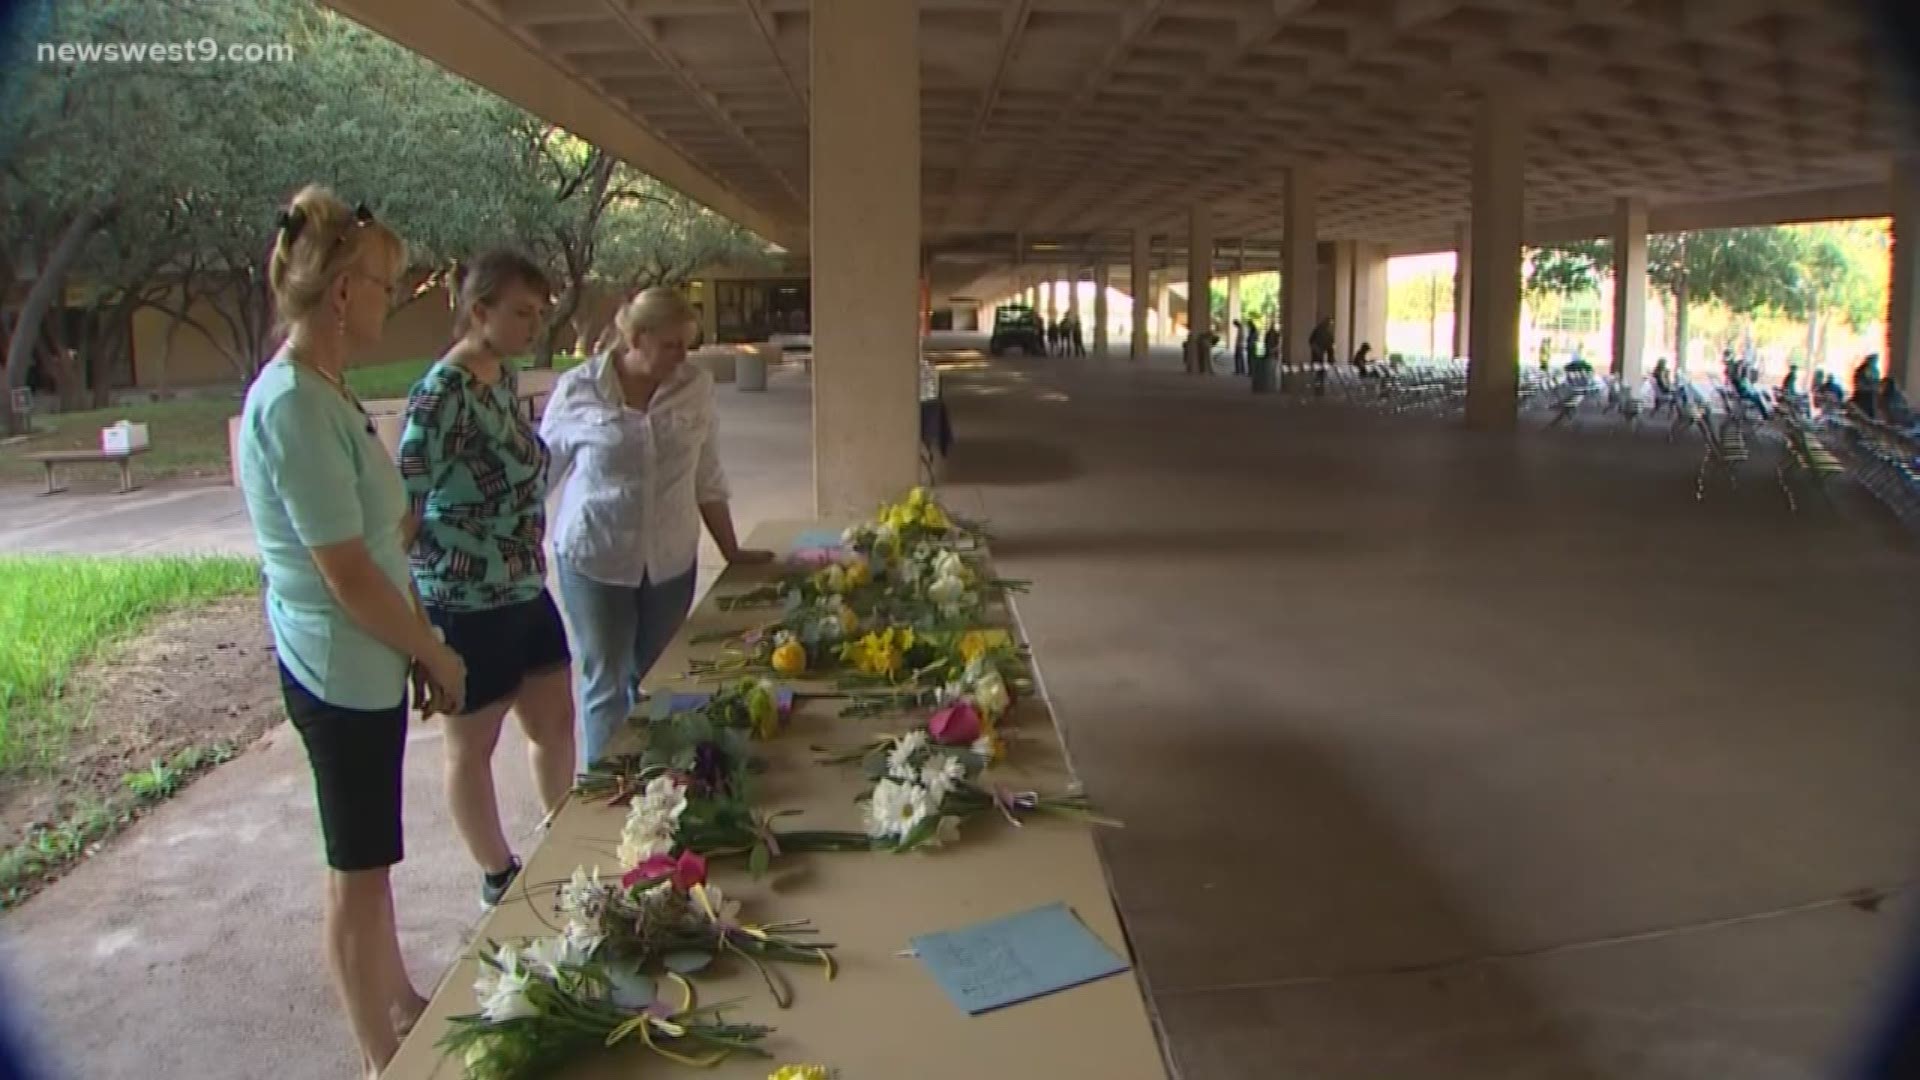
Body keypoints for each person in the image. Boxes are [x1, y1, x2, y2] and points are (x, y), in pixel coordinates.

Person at [237, 186, 465, 1078]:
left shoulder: (325, 389)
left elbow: (376, 543)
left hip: (367, 658)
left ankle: (399, 996)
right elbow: (347, 574)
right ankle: (379, 1052)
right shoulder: (290, 403)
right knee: (356, 869)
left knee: (373, 856)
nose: (391, 296)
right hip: (335, 665)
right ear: (340, 293)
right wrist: (430, 646)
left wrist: (408, 640)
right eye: (383, 281)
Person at [397, 251, 575, 908]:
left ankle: (564, 838)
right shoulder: (439, 395)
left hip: (525, 585)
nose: (533, 326)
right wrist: (417, 630)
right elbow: (404, 509)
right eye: (521, 313)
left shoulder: (504, 377)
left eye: (537, 313)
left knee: (555, 721)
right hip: (466, 599)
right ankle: (497, 873)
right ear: (479, 312)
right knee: (472, 742)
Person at [542, 288, 774, 769]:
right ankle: (607, 783)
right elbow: (541, 474)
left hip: (670, 560)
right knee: (605, 681)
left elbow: (706, 474)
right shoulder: (579, 388)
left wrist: (731, 551)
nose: (682, 357)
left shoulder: (696, 386)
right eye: (671, 345)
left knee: (657, 676)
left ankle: (658, 781)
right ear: (636, 337)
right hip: (595, 556)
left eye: (687, 345)